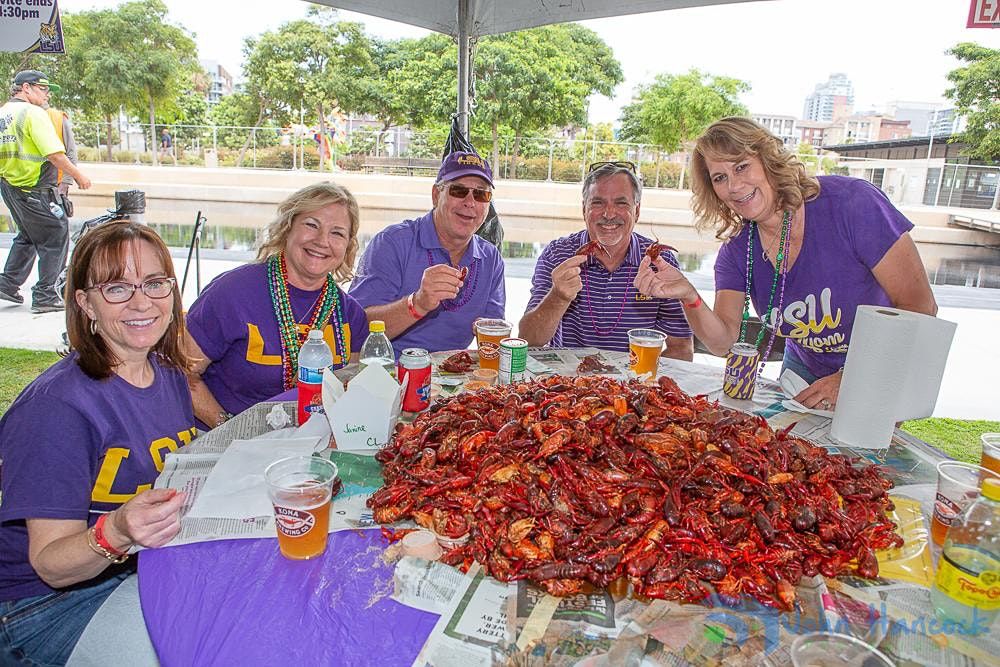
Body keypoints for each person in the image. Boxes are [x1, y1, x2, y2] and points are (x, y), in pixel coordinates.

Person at [634, 116, 937, 409]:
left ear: (768, 160)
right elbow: (724, 342)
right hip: (802, 373)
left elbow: (920, 305)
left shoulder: (852, 204)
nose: (734, 186)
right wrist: (689, 295)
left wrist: (853, 378)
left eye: (742, 166)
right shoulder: (738, 251)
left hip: (880, 366)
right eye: (720, 178)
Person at [0, 222, 194, 665]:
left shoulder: (166, 374)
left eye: (154, 283)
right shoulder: (58, 408)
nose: (142, 302)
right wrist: (119, 530)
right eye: (116, 288)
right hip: (41, 606)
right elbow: (49, 562)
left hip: (131, 570)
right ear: (85, 303)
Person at [184, 182, 369, 429]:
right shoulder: (231, 293)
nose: (322, 241)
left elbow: (348, 388)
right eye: (311, 225)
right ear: (287, 228)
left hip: (313, 442)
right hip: (230, 444)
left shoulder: (350, 315)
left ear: (348, 245)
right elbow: (183, 372)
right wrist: (229, 429)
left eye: (337, 233)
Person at [519, 161, 694, 360]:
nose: (609, 214)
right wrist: (558, 297)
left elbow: (681, 349)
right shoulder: (557, 254)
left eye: (621, 203)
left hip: (632, 385)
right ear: (583, 209)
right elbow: (527, 340)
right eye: (597, 203)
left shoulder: (661, 262)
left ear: (636, 211)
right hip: (567, 382)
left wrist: (641, 380)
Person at [349, 151, 505, 356]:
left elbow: (494, 329)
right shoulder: (392, 243)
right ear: (435, 195)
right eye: (458, 190)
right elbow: (355, 329)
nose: (470, 202)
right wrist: (418, 303)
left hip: (454, 375)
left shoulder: (490, 258)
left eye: (481, 194)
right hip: (391, 371)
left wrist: (486, 328)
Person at [0, 70, 92, 313]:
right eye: (42, 88)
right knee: (55, 235)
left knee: (30, 233)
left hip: (9, 184)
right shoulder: (33, 114)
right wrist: (78, 176)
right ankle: (45, 295)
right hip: (34, 185)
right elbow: (54, 154)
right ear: (25, 88)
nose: (47, 94)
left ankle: (8, 283)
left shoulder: (4, 113)